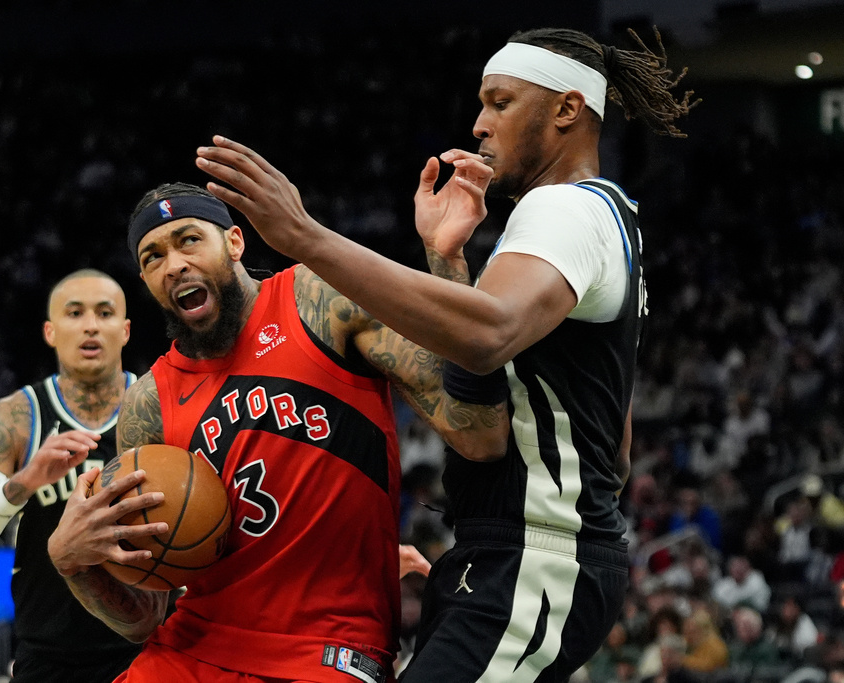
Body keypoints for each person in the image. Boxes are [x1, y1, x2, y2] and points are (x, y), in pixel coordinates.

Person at [194, 24, 696, 682]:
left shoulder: (567, 211)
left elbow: (487, 335)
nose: (479, 123)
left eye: (500, 101)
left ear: (568, 109)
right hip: (514, 556)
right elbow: (603, 447)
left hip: (534, 560)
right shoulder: (602, 220)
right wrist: (447, 257)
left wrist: (306, 238)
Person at [46, 182, 510, 682]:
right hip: (191, 648)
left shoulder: (317, 299)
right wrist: (73, 562)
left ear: (235, 243)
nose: (174, 263)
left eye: (189, 240)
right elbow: (144, 616)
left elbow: (480, 433)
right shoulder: (149, 402)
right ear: (145, 280)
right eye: (153, 256)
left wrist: (446, 266)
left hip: (327, 650)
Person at [0, 269, 143, 683]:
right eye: (74, 313)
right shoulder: (16, 419)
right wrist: (25, 481)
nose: (91, 325)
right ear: (50, 331)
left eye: (105, 312)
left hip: (150, 648)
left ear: (126, 330)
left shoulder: (161, 405)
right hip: (49, 657)